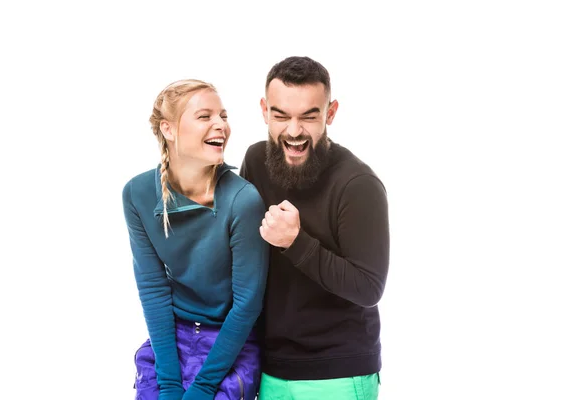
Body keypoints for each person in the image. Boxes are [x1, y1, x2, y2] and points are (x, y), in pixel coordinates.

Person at [239, 56, 390, 400]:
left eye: (309, 116)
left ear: (330, 113)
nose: (294, 131)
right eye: (281, 116)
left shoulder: (358, 184)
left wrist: (295, 241)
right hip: (269, 369)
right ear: (264, 111)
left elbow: (369, 288)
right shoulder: (255, 161)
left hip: (336, 373)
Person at [122, 79, 269, 400]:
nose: (221, 125)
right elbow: (153, 289)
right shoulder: (137, 194)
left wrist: (203, 387)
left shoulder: (243, 200)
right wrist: (170, 381)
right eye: (205, 117)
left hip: (230, 344)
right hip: (171, 340)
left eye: (224, 116)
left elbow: (247, 304)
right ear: (169, 129)